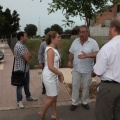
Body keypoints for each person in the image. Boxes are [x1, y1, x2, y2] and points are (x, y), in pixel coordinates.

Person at [94, 16, 120, 120]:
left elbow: (98, 72)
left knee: (103, 116)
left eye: (109, 28)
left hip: (109, 88)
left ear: (113, 28)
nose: (108, 31)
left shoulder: (107, 47)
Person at [68, 25, 99, 111]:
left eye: (83, 32)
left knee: (86, 87)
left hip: (88, 69)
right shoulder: (75, 41)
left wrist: (95, 68)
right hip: (76, 69)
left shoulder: (93, 42)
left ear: (88, 33)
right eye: (80, 32)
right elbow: (71, 52)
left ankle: (84, 102)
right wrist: (70, 61)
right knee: (75, 86)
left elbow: (97, 53)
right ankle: (74, 102)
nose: (81, 34)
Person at [39, 31, 64, 120]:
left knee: (54, 96)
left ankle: (54, 116)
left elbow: (54, 65)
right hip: (49, 76)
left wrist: (57, 75)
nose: (59, 39)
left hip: (53, 75)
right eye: (58, 37)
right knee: (52, 96)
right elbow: (50, 66)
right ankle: (41, 114)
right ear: (52, 39)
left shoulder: (54, 49)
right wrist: (60, 74)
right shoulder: (50, 50)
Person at [14, 31, 37, 109]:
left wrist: (28, 55)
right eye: (26, 36)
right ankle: (19, 101)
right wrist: (28, 56)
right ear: (21, 37)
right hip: (20, 69)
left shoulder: (23, 45)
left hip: (25, 69)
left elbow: (29, 55)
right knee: (20, 85)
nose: (27, 37)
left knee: (26, 83)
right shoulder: (19, 46)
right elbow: (27, 57)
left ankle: (28, 96)